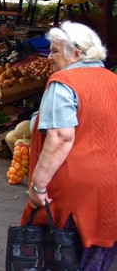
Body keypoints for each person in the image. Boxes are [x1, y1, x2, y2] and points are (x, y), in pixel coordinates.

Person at [21, 21, 117, 270]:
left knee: (65, 255)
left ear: (76, 54)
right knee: (97, 256)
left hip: (76, 191)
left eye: (54, 51)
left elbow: (61, 136)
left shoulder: (64, 82)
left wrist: (37, 186)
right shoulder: (112, 80)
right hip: (111, 186)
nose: (49, 57)